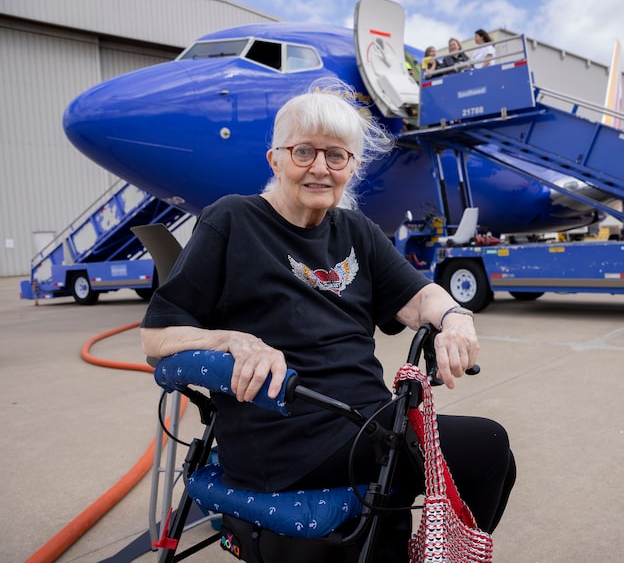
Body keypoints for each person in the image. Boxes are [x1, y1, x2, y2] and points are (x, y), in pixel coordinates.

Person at [140, 77, 515, 562]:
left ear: (352, 168)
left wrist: (455, 318)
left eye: (336, 156)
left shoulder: (356, 230)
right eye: (304, 152)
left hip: (367, 424)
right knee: (487, 449)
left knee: (490, 457)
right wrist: (233, 341)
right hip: (282, 433)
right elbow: (156, 336)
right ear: (274, 159)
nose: (320, 168)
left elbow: (419, 295)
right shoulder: (232, 221)